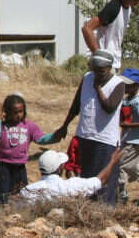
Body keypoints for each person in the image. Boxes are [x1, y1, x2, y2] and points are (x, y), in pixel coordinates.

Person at [51, 50, 128, 204]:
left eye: (102, 71)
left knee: (105, 182)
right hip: (85, 136)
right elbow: (76, 104)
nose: (98, 74)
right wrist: (65, 125)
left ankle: (105, 214)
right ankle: (88, 211)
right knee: (87, 180)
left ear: (109, 68)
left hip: (105, 141)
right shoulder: (87, 78)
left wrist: (98, 88)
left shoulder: (118, 84)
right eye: (95, 70)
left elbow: (109, 107)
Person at [0, 94, 50, 203]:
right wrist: (0, 118)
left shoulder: (28, 126)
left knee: (21, 194)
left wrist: (56, 136)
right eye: (15, 112)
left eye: (21, 111)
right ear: (8, 112)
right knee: (2, 195)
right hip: (4, 165)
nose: (18, 115)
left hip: (19, 166)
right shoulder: (3, 125)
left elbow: (41, 139)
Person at [20, 148, 125, 202]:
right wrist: (112, 161)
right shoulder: (70, 186)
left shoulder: (27, 191)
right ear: (59, 168)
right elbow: (100, 181)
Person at [82, 0, 139, 70]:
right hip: (104, 67)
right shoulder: (114, 8)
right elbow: (87, 28)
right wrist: (98, 55)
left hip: (114, 64)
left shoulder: (128, 9)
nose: (137, 2)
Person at [118, 75, 139, 201]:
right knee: (135, 168)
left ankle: (122, 194)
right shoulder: (126, 100)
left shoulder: (136, 101)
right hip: (128, 138)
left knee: (120, 166)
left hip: (133, 140)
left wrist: (128, 125)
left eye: (128, 85)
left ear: (136, 85)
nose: (125, 87)